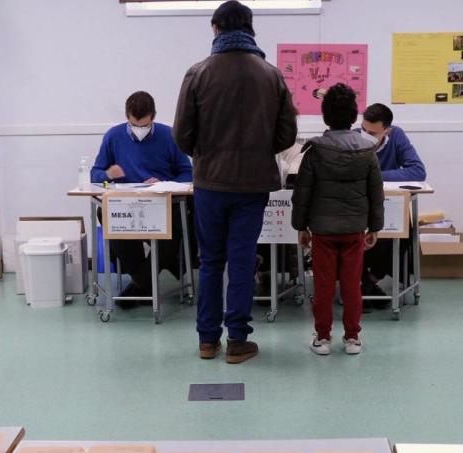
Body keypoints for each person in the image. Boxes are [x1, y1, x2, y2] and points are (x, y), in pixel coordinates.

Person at [174, 0, 297, 364]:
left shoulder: (198, 73)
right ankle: (238, 341)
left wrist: (205, 154)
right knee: (242, 261)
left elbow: (181, 135)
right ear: (250, 28)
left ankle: (207, 340)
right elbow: (287, 134)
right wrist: (260, 150)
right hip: (253, 184)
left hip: (210, 183)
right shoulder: (271, 75)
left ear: (215, 28)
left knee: (211, 262)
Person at [292, 84, 384, 356]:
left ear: (325, 116)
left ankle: (322, 338)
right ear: (354, 116)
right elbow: (376, 193)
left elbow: (302, 192)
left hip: (323, 230)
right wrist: (375, 227)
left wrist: (301, 226)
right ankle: (352, 338)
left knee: (323, 285)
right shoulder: (368, 150)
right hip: (354, 229)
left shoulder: (315, 150)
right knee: (352, 284)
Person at [91, 91, 194, 307]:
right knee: (106, 215)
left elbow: (187, 172)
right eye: (134, 125)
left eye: (144, 125)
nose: (139, 130)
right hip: (126, 205)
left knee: (173, 232)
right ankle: (145, 284)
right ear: (127, 116)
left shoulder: (169, 135)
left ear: (153, 117)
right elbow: (95, 174)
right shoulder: (113, 136)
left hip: (163, 204)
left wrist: (165, 182)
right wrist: (108, 174)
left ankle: (141, 286)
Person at [358, 103, 426, 308]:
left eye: (372, 133)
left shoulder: (397, 136)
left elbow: (418, 171)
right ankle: (360, 285)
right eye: (364, 129)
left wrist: (376, 176)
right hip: (358, 207)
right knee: (350, 235)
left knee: (405, 232)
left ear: (386, 130)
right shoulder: (353, 137)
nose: (366, 136)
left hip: (388, 206)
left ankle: (369, 283)